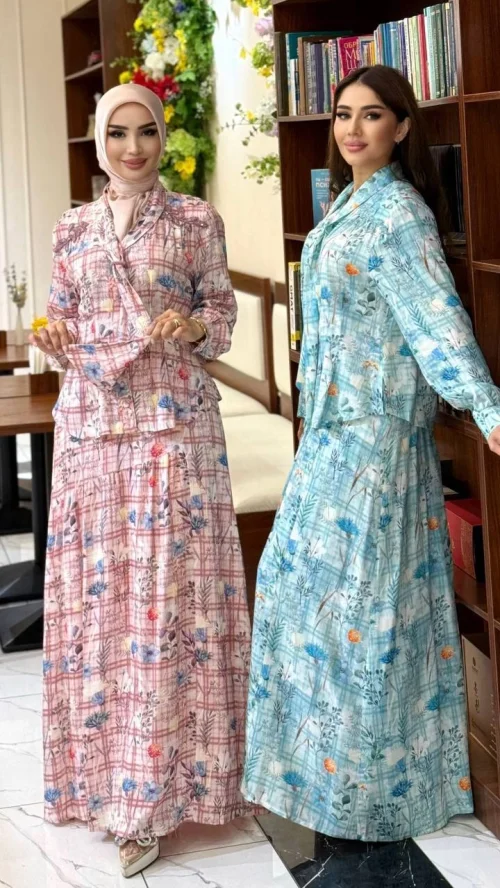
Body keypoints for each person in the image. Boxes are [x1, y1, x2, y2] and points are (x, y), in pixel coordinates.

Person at [241, 65, 500, 842]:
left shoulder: (398, 214)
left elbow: (436, 318)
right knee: (301, 594)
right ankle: (331, 781)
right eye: (343, 114)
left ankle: (376, 796)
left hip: (377, 438)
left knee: (366, 616)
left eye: (372, 115)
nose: (353, 129)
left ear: (403, 126)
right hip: (333, 429)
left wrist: (486, 405)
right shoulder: (349, 200)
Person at [33, 83, 255, 878]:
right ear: (98, 141)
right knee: (101, 607)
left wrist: (192, 326)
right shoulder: (71, 229)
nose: (133, 148)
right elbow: (60, 317)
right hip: (91, 432)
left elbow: (222, 315)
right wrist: (55, 337)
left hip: (173, 429)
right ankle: (103, 787)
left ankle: (161, 799)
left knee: (170, 606)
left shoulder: (195, 220)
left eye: (147, 132)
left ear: (164, 137)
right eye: (118, 134)